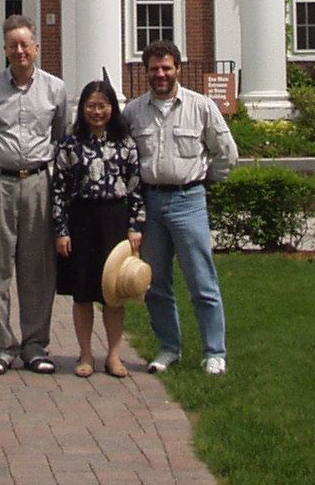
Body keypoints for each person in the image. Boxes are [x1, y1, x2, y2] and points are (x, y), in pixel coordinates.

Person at [121, 39, 238, 376]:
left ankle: (214, 351)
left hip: (189, 201)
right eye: (154, 69)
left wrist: (205, 182)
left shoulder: (201, 107)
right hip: (151, 205)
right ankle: (169, 348)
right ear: (146, 71)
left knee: (202, 281)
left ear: (178, 69)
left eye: (166, 68)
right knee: (155, 284)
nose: (160, 74)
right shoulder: (134, 112)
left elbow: (226, 152)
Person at [0, 15, 69, 376]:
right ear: (5, 51)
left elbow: (60, 137)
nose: (19, 51)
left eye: (25, 44)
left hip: (39, 184)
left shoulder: (55, 90)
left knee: (38, 269)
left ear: (37, 48)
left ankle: (36, 346)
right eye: (13, 45)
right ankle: (1, 347)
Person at [52, 77, 145, 378]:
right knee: (82, 293)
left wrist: (135, 226)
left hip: (114, 222)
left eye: (102, 106)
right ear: (82, 109)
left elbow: (135, 189)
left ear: (112, 108)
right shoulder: (70, 144)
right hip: (81, 220)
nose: (97, 111)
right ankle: (86, 355)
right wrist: (61, 230)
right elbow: (59, 190)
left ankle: (114, 356)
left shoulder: (125, 144)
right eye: (91, 106)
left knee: (113, 294)